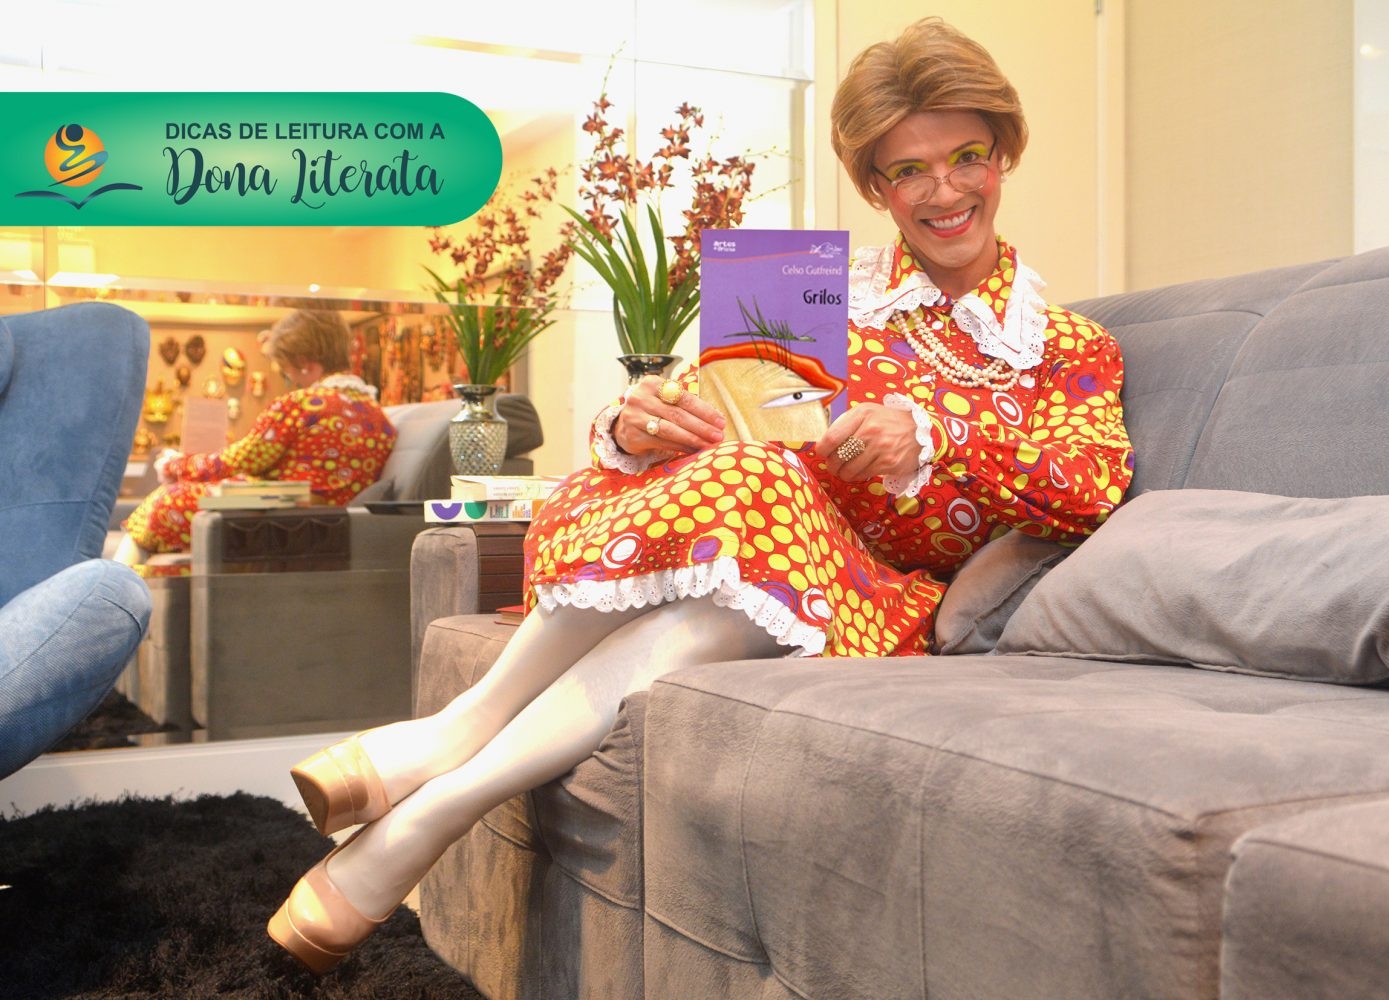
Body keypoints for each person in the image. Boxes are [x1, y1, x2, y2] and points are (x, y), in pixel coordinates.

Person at [267, 16, 1134, 974]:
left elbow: (1093, 485)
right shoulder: (819, 294)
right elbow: (712, 416)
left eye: (967, 156)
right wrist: (643, 421)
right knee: (740, 507)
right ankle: (440, 778)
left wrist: (930, 434)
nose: (944, 190)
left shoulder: (1066, 347)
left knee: (756, 498)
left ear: (1003, 152)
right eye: (907, 170)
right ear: (875, 187)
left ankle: (439, 787)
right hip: (744, 544)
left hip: (880, 596)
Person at [114, 310, 395, 563]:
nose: (289, 378)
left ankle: (113, 591)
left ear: (303, 362)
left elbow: (241, 459)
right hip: (325, 524)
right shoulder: (377, 417)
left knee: (165, 503)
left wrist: (176, 464)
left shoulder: (303, 404)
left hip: (281, 517)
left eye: (287, 369)